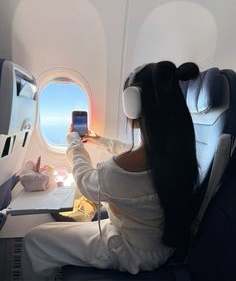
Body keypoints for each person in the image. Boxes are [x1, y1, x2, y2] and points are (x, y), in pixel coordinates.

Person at [22, 61, 199, 280]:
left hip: (131, 250)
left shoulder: (118, 170)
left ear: (133, 104)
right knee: (49, 234)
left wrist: (74, 142)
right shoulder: (179, 154)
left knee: (34, 239)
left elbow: (86, 181)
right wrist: (99, 140)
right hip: (159, 245)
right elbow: (129, 151)